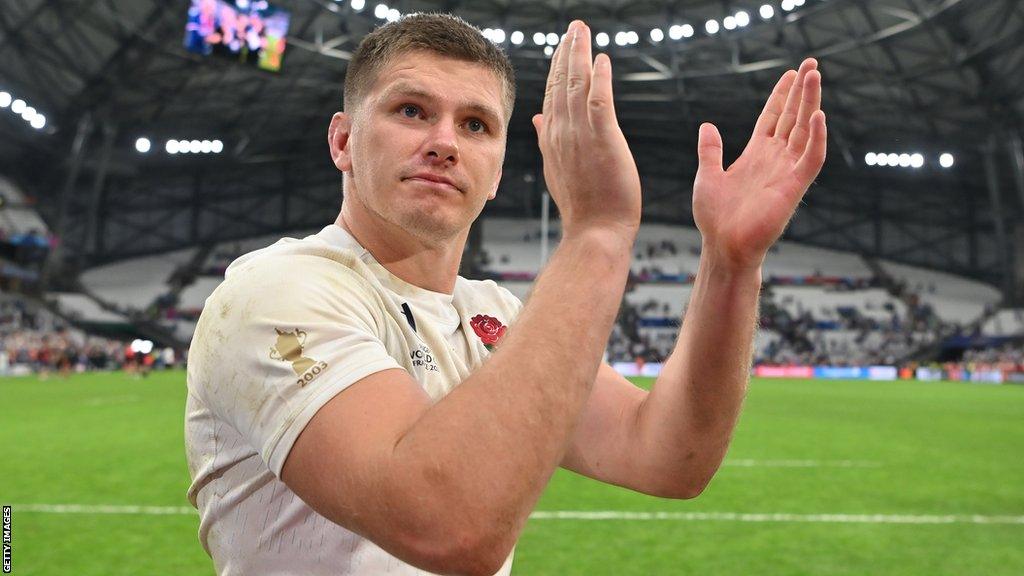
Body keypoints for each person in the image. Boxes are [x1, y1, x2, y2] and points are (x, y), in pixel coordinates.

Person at [184, 12, 826, 576]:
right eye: (411, 111)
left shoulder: (492, 316)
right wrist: (598, 232)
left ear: (495, 173)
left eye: (476, 125)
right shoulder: (276, 290)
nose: (443, 143)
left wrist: (732, 262)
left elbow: (667, 456)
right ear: (344, 141)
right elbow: (445, 523)